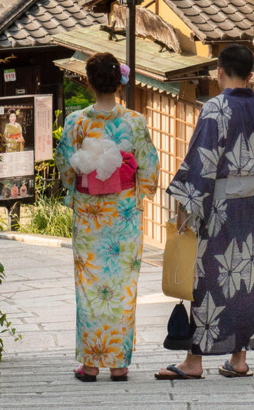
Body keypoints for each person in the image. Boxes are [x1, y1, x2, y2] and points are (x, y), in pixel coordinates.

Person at [156, 44, 254, 380]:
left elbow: (201, 162)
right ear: (251, 74)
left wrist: (185, 209)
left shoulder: (215, 109)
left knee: (210, 278)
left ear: (219, 70)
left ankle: (194, 361)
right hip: (253, 206)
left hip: (220, 205)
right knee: (245, 278)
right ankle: (239, 358)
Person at [54, 52, 159, 382]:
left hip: (89, 216)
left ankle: (90, 365)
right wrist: (140, 193)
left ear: (88, 81)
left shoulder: (76, 122)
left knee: (90, 287)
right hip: (124, 216)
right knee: (122, 288)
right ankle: (119, 365)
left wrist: (76, 190)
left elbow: (66, 167)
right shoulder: (134, 121)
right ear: (119, 81)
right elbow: (150, 168)